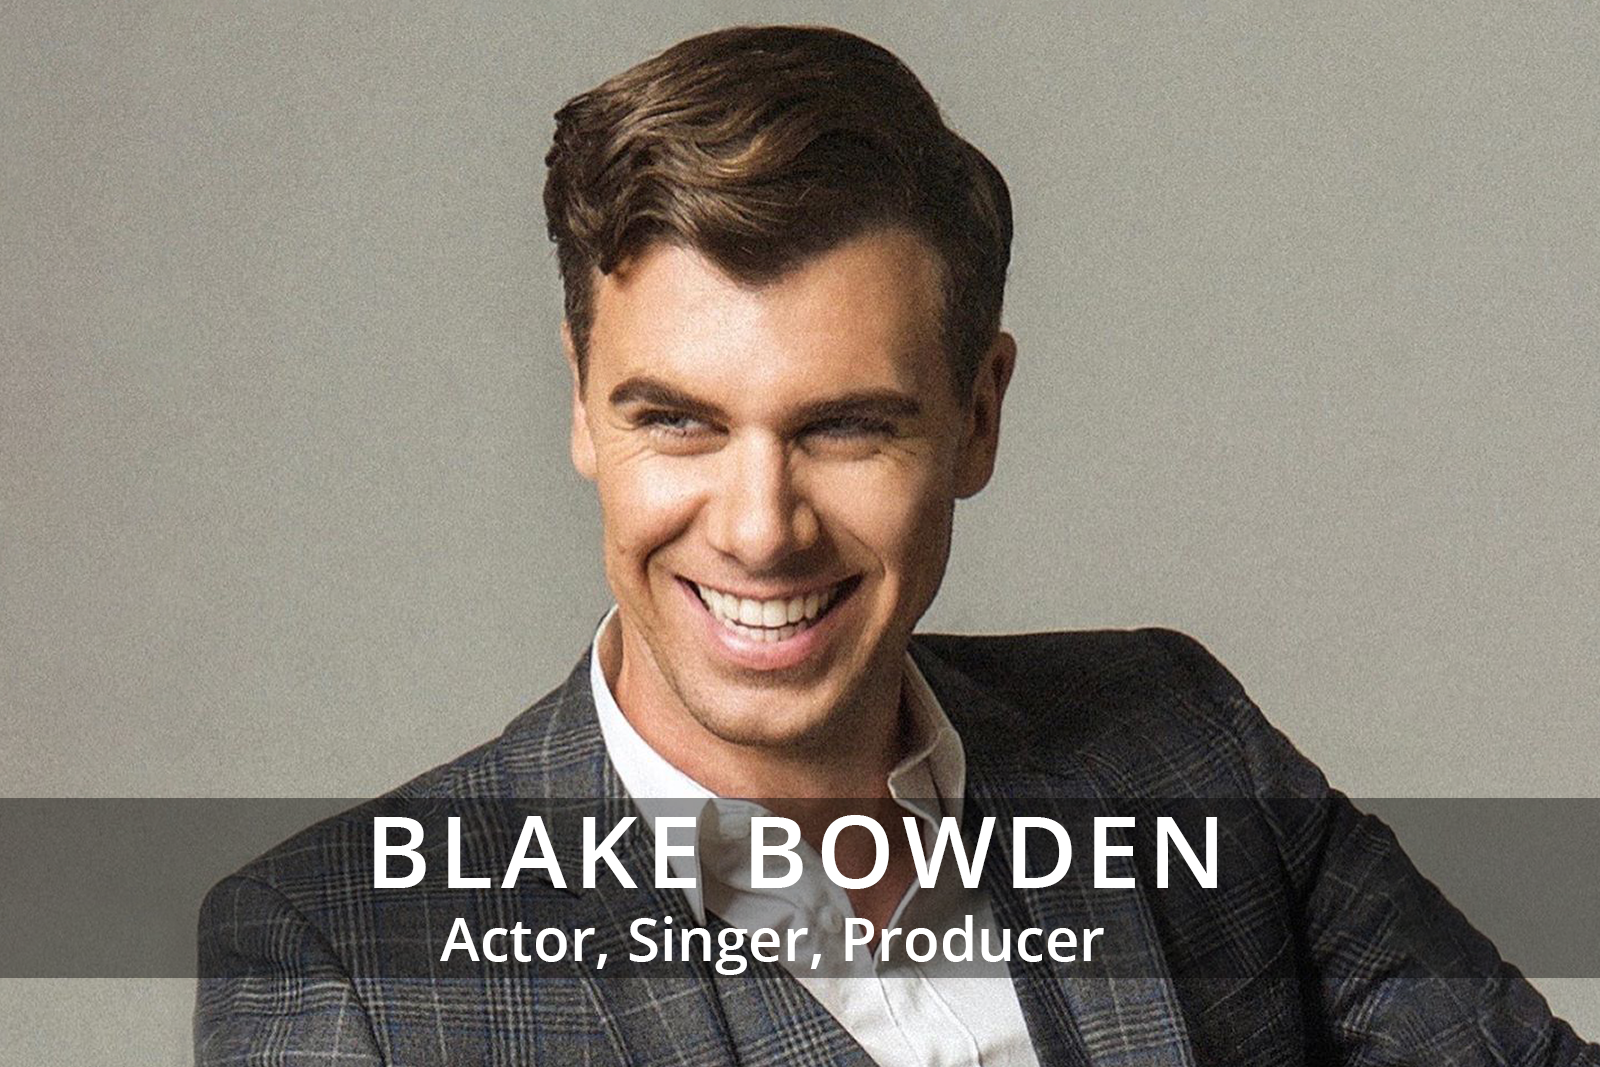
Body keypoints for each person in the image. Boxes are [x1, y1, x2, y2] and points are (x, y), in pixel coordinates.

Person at [195, 25, 1598, 1067]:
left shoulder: (1178, 742)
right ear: (580, 401)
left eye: (845, 428)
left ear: (978, 415)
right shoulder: (351, 965)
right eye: (679, 422)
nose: (758, 527)